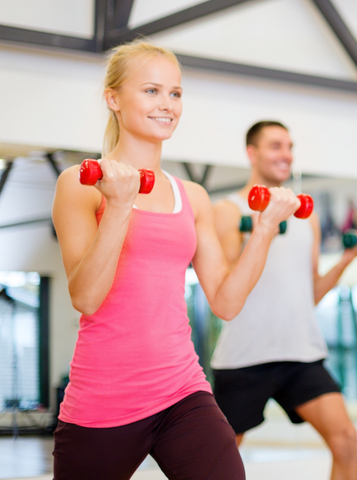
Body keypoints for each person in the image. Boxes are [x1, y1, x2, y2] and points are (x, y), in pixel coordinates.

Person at [50, 42, 301, 480]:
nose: (167, 105)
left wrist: (263, 230)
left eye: (175, 93)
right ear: (114, 99)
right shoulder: (80, 184)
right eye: (151, 91)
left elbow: (226, 302)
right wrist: (120, 208)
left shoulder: (194, 197)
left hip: (181, 390)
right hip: (104, 401)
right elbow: (86, 297)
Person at [211, 121, 357, 480]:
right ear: (251, 153)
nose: (285, 154)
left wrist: (349, 258)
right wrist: (262, 228)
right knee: (220, 460)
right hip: (245, 355)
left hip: (300, 353)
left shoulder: (307, 215)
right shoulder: (227, 210)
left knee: (346, 438)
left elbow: (311, 292)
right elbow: (225, 289)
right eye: (275, 146)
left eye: (289, 146)